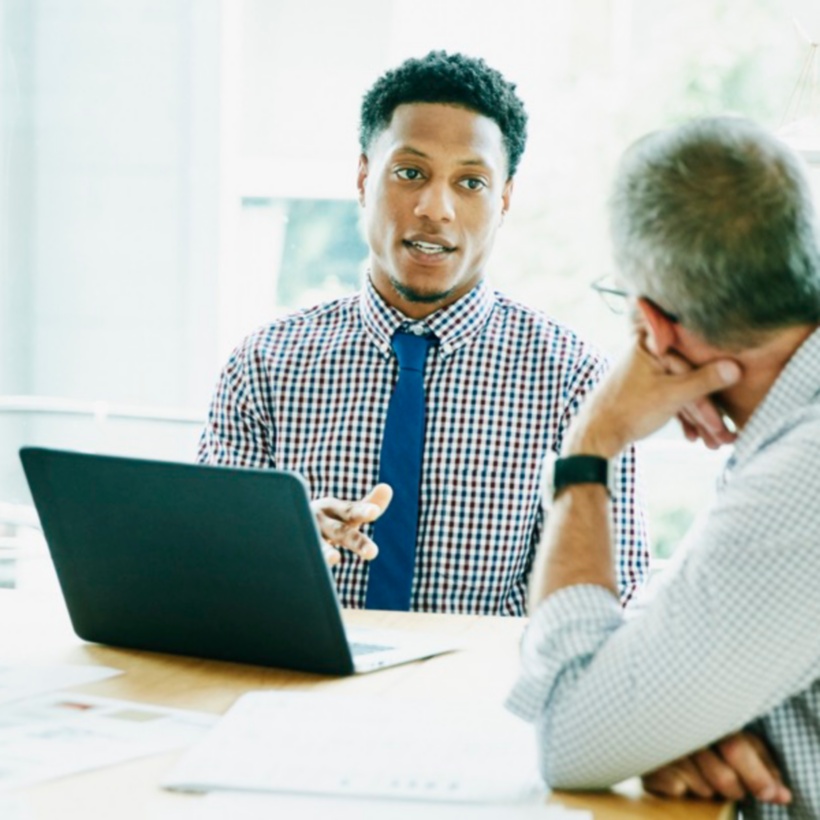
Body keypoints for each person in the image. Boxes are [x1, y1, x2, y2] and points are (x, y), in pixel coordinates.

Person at [198, 51, 648, 615]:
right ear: (364, 178)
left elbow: (609, 597)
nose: (436, 209)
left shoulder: (574, 380)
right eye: (410, 173)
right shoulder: (263, 366)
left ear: (504, 199)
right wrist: (277, 545)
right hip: (297, 692)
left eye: (470, 182)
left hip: (480, 699)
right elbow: (206, 575)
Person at [507, 115, 820, 817]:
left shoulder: (803, 477)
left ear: (655, 324)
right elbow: (671, 636)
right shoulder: (794, 426)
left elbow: (570, 736)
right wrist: (661, 717)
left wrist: (590, 444)